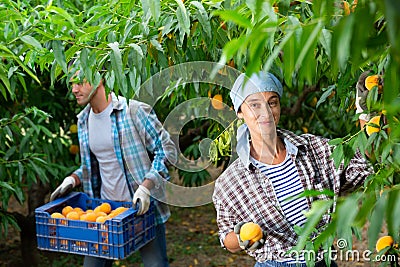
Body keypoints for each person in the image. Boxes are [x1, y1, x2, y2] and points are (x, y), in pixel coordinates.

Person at [212, 70, 373, 267]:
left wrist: (367, 112)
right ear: (239, 112)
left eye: (272, 102)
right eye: (254, 105)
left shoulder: (314, 149)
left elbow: (364, 163)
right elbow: (227, 238)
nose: (266, 112)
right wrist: (242, 237)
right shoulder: (230, 182)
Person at [50, 67, 176, 267]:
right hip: (105, 212)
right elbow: (95, 166)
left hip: (140, 210)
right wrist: (72, 179)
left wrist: (146, 186)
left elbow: (167, 150)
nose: (74, 89)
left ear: (99, 78)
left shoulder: (132, 111)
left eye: (80, 82)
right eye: (71, 83)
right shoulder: (83, 121)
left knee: (156, 264)